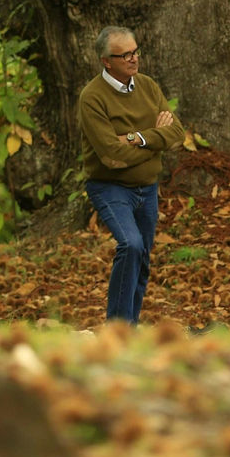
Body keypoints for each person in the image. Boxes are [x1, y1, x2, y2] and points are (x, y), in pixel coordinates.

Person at [79, 25, 186, 325]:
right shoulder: (92, 97)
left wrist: (136, 138)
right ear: (106, 61)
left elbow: (176, 133)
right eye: (124, 54)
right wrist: (155, 137)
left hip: (147, 188)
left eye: (135, 51)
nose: (133, 59)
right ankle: (118, 329)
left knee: (143, 259)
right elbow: (111, 156)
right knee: (131, 245)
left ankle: (130, 327)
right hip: (110, 187)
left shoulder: (148, 86)